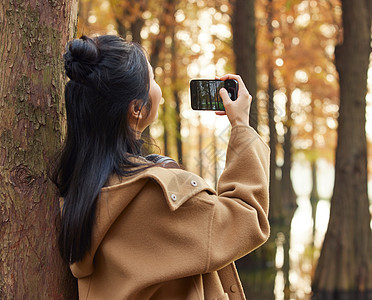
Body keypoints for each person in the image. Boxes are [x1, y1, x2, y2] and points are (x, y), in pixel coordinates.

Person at [52, 35, 270, 300]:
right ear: (136, 108)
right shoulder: (158, 198)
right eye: (152, 79)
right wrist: (242, 127)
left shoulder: (77, 190)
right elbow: (247, 218)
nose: (158, 88)